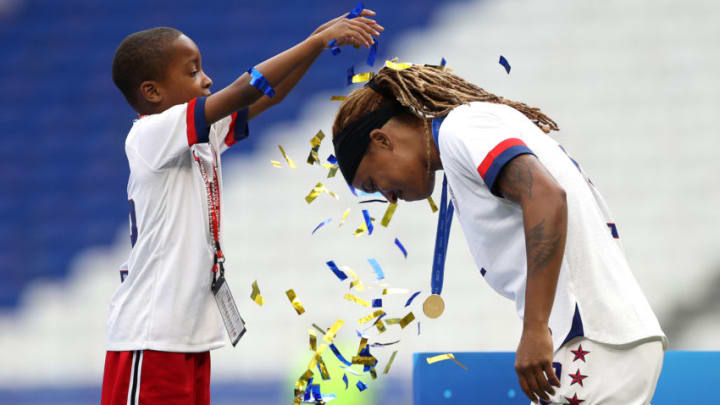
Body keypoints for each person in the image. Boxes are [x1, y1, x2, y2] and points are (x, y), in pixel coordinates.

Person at [331, 65, 667, 404]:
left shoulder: (460, 128)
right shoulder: (473, 127)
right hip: (604, 338)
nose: (388, 197)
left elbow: (546, 197)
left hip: (589, 343)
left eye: (373, 184)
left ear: (382, 140)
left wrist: (536, 328)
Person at [102, 11, 383, 405]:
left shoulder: (200, 136)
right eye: (193, 71)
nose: (206, 79)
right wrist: (314, 43)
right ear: (152, 92)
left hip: (187, 333)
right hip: (150, 335)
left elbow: (271, 94)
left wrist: (318, 40)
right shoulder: (152, 133)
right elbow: (244, 89)